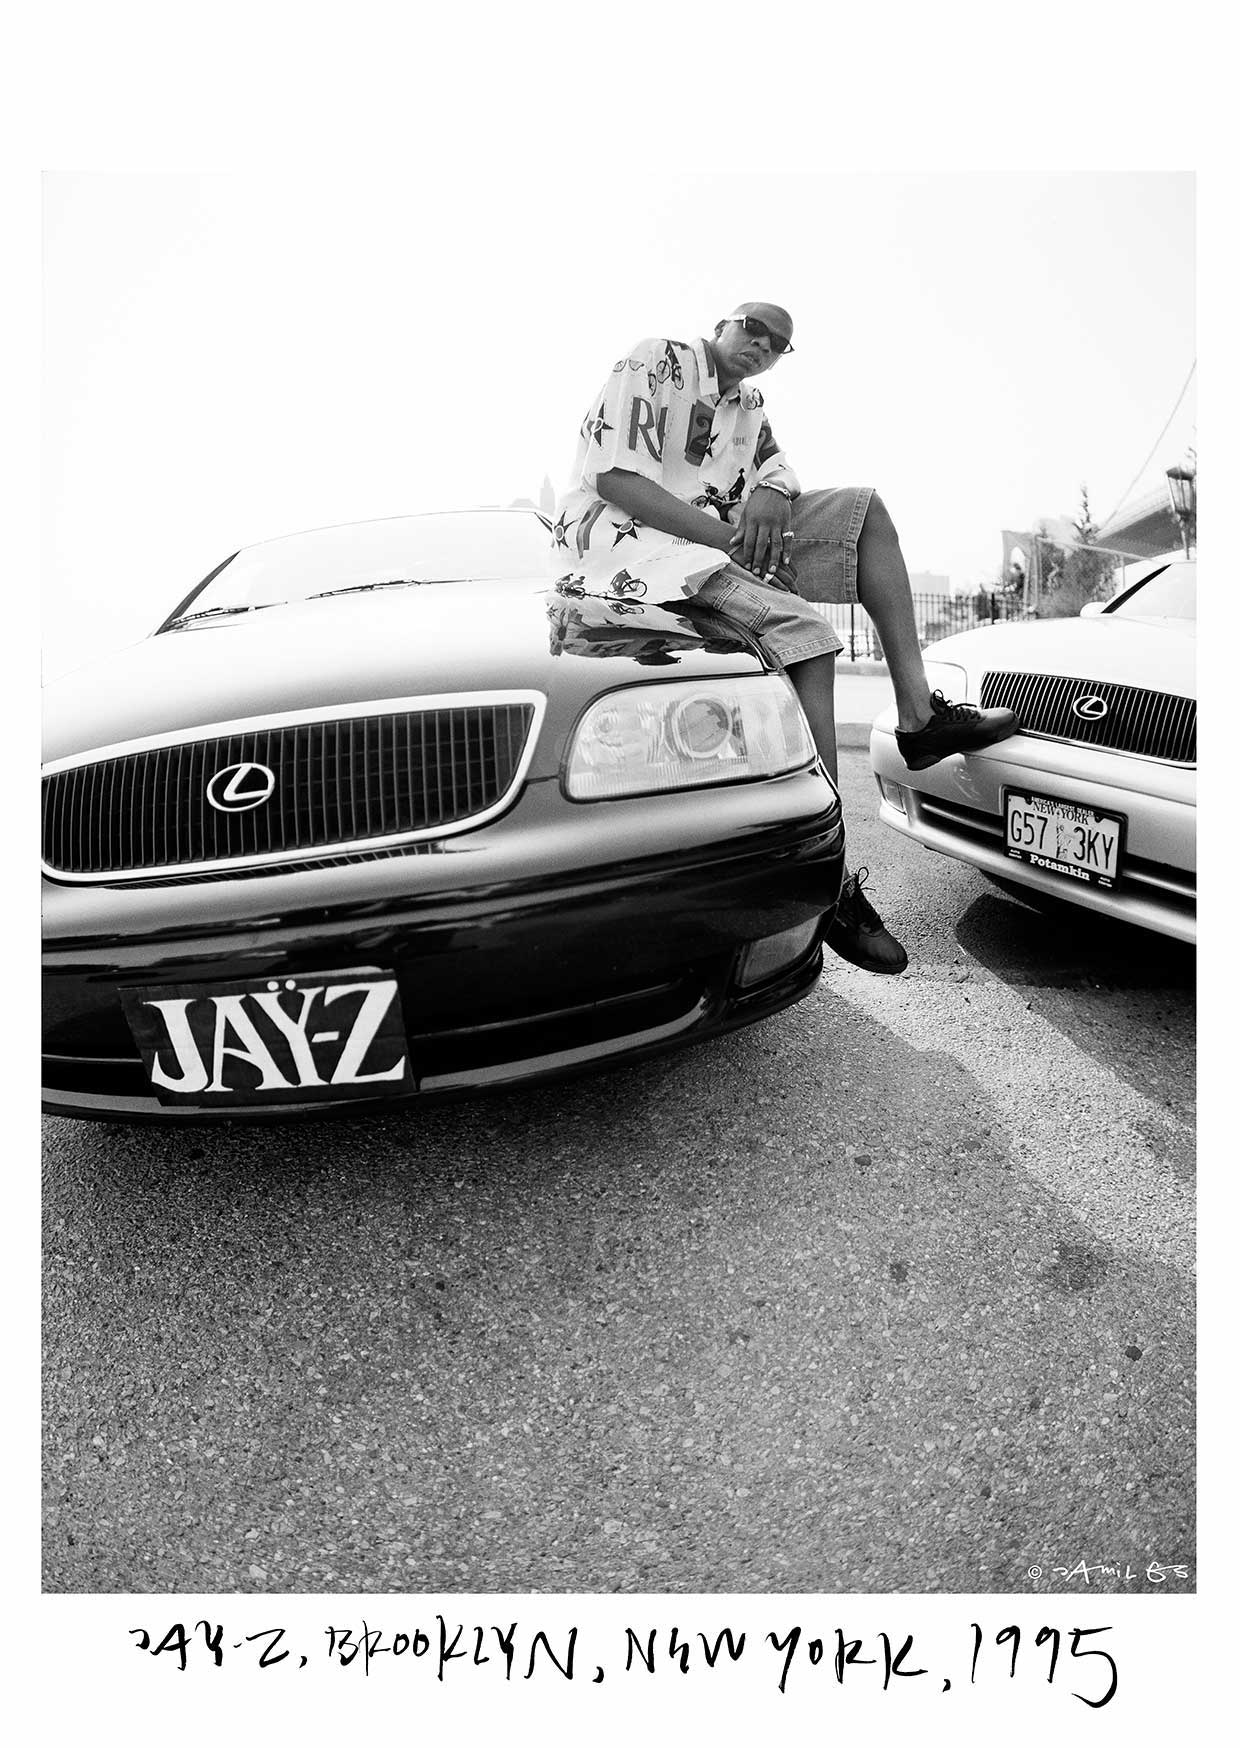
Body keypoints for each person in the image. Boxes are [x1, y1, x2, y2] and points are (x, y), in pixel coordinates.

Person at [551, 302, 1019, 973]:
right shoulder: (657, 358)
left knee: (867, 514)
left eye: (777, 346)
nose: (762, 347)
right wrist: (729, 541)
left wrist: (772, 488)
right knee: (808, 633)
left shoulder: (751, 403)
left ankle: (920, 717)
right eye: (754, 331)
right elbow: (613, 476)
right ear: (722, 325)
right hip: (638, 553)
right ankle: (827, 880)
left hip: (725, 539)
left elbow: (775, 465)